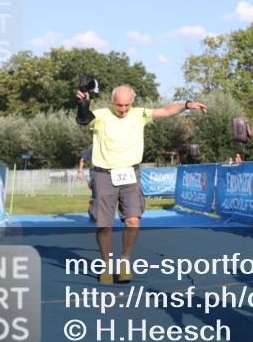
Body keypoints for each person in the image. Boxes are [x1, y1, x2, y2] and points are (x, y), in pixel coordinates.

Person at [76, 84, 206, 284]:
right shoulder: (101, 115)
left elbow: (165, 111)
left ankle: (125, 262)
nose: (124, 109)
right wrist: (83, 103)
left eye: (127, 104)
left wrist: (187, 104)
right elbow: (84, 119)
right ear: (112, 102)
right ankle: (106, 266)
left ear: (132, 102)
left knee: (133, 220)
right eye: (119, 105)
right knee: (104, 225)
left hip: (130, 173)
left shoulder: (139, 114)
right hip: (104, 174)